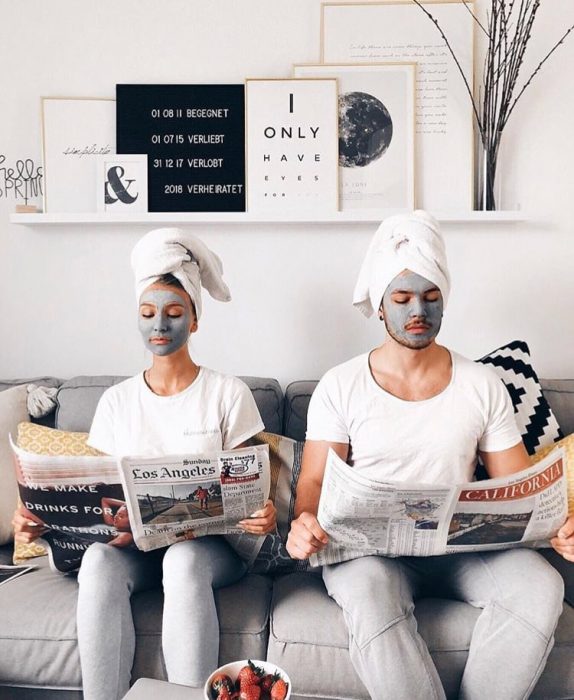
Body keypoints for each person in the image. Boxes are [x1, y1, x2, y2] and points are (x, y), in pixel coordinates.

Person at [286, 211, 574, 700]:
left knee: (541, 587)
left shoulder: (482, 384)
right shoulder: (340, 384)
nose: (417, 309)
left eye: (430, 297)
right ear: (380, 306)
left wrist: (556, 527)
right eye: (401, 299)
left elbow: (516, 491)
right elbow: (313, 481)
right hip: (368, 552)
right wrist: (304, 521)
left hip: (460, 549)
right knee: (372, 597)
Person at [13, 227, 277, 700]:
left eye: (175, 313)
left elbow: (250, 487)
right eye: (148, 313)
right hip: (131, 545)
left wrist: (262, 513)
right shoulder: (116, 402)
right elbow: (100, 494)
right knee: (97, 560)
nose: (160, 324)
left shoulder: (227, 393)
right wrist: (43, 523)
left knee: (183, 558)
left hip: (207, 550)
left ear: (194, 321)